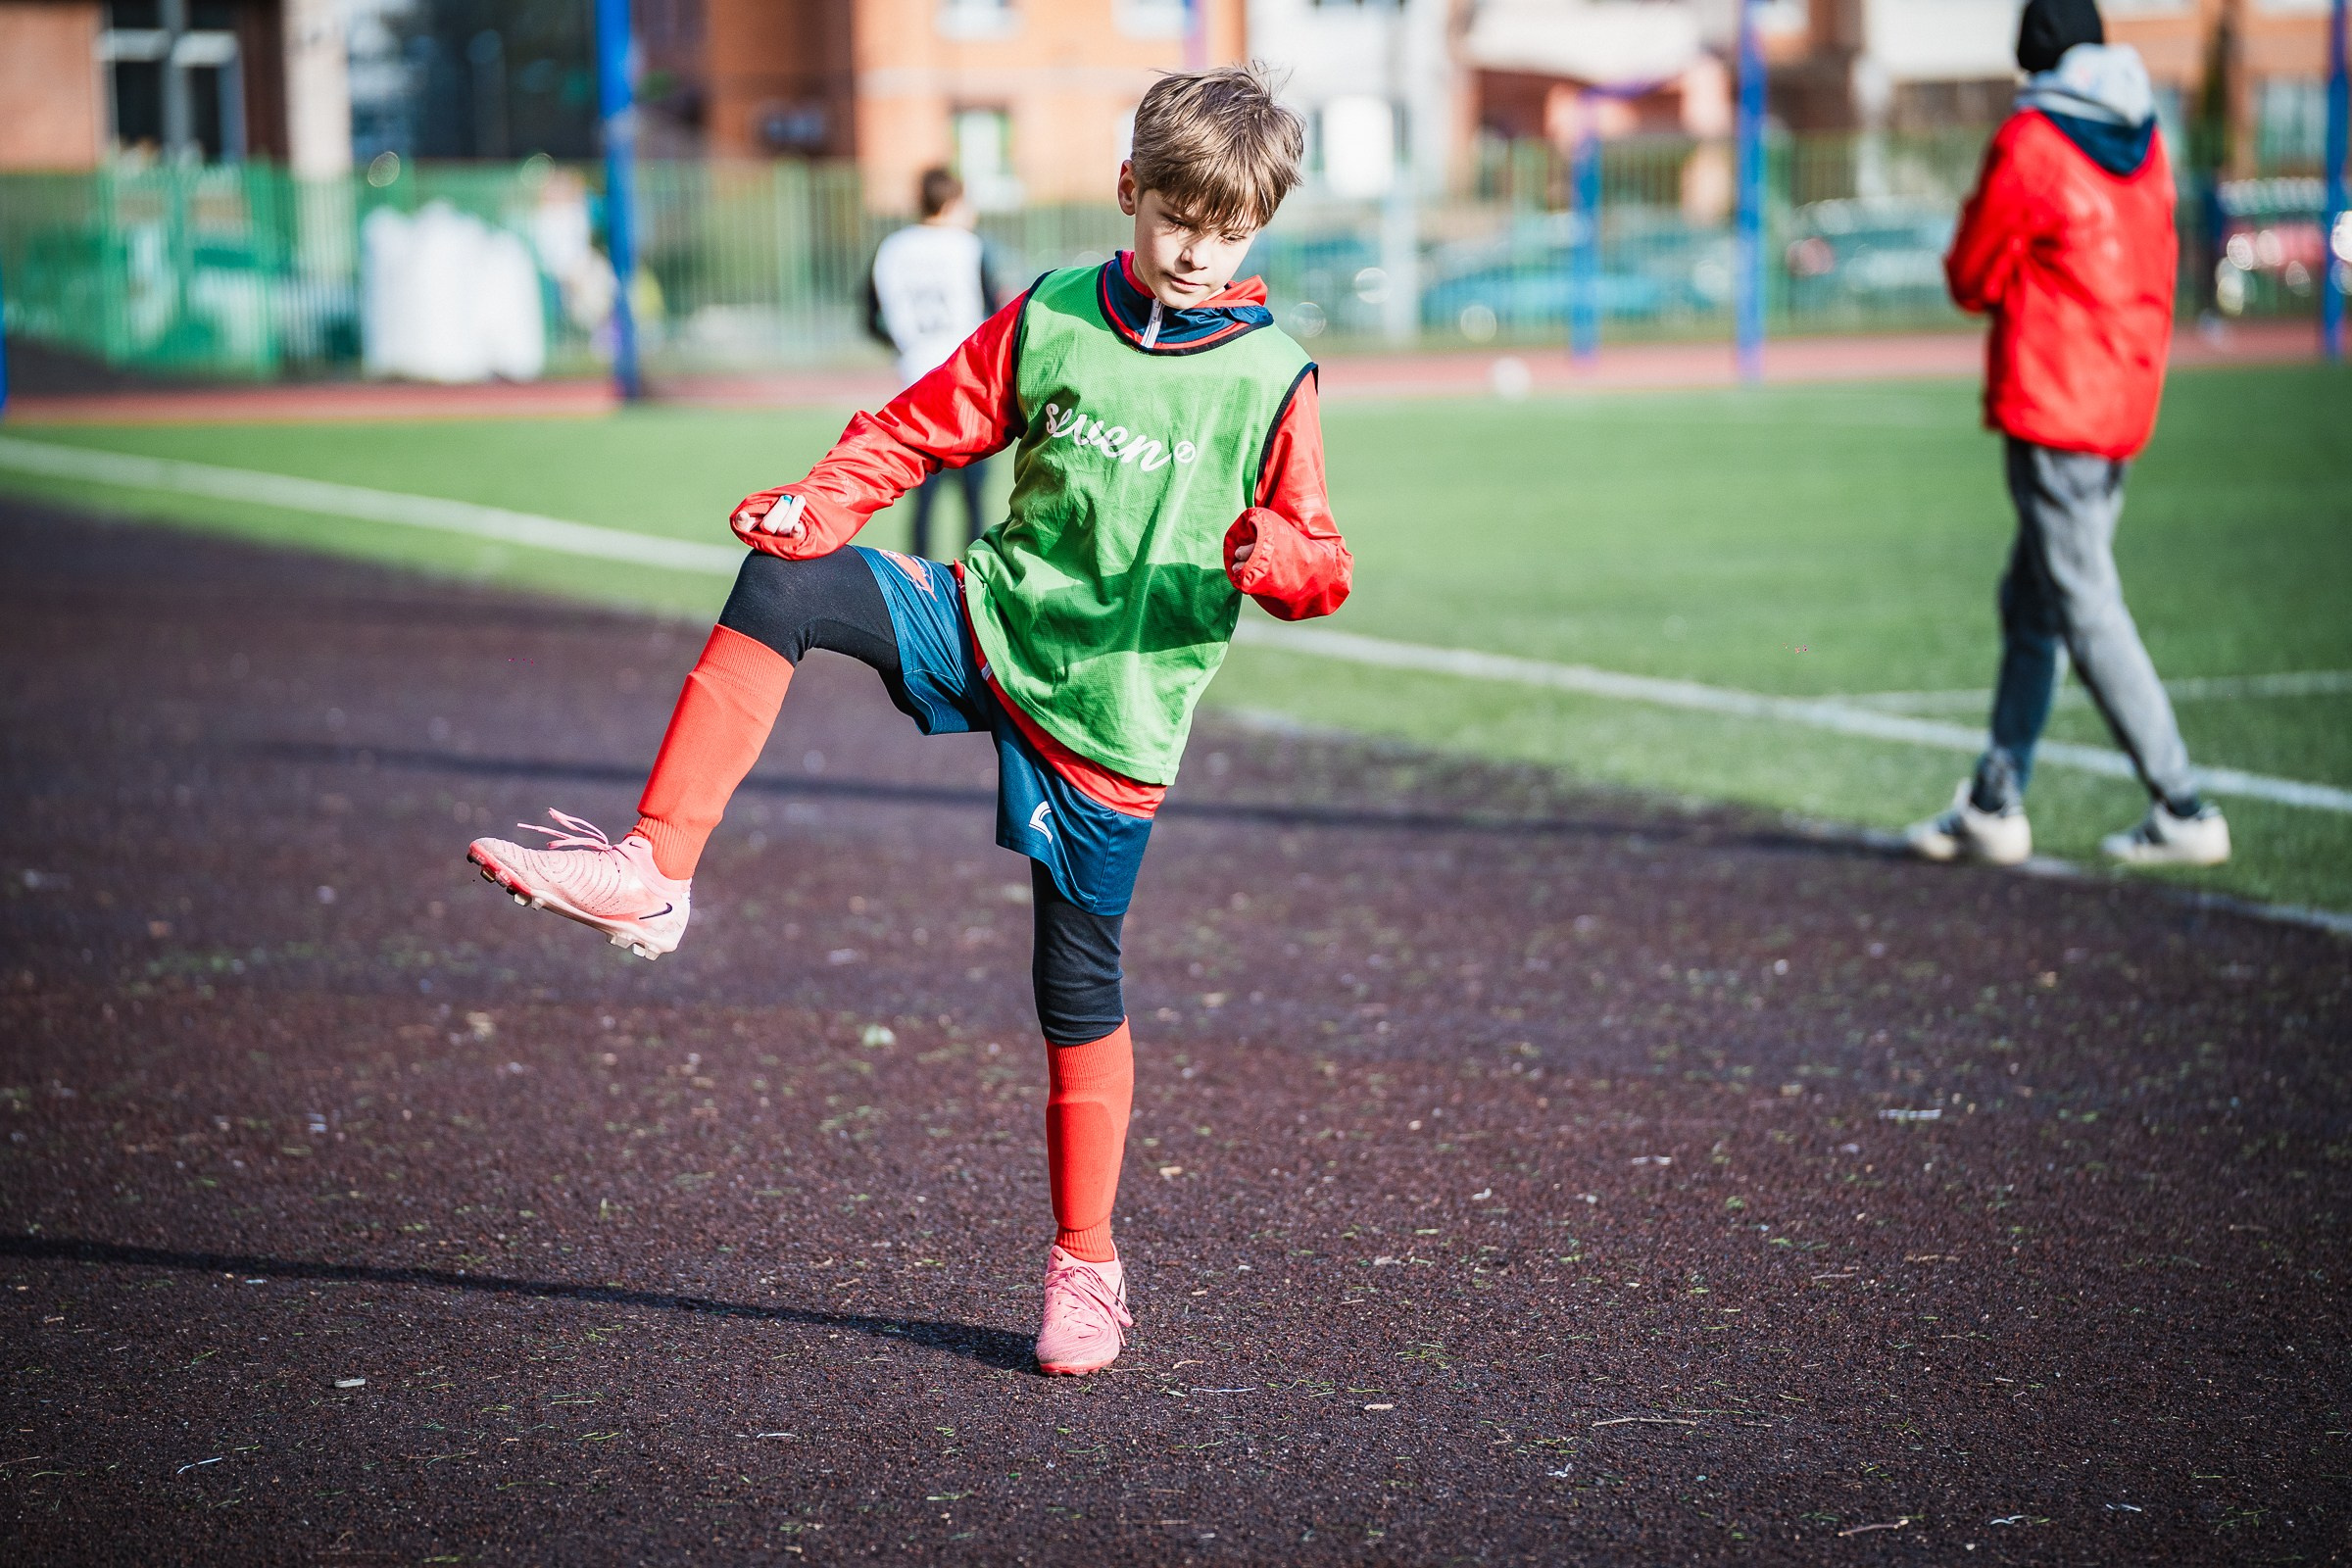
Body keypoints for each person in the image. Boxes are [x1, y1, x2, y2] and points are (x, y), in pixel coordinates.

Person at [464, 65, 1350, 1377]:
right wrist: (823, 504)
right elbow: (915, 428)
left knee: (1074, 982)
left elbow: (1323, 561)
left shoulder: (1274, 378)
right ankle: (654, 871)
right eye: (1175, 215)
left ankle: (1087, 1266)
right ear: (1129, 193)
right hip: (985, 622)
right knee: (784, 579)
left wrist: (1276, 555)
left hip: (1114, 714)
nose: (1195, 249)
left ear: (1260, 229)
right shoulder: (1051, 313)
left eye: (1226, 229)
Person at [1907, 0, 2230, 870]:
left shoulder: (2035, 140)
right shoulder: (2147, 134)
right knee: (2035, 601)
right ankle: (1993, 800)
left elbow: (1971, 273)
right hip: (2125, 397)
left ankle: (2183, 803)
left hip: (2055, 399)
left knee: (2083, 606)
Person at [866, 168, 997, 559]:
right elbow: (993, 313)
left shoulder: (891, 248)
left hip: (916, 382)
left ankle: (913, 578)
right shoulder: (969, 246)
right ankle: (972, 583)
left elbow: (871, 314)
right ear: (952, 202)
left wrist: (904, 347)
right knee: (974, 496)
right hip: (966, 384)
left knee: (922, 493)